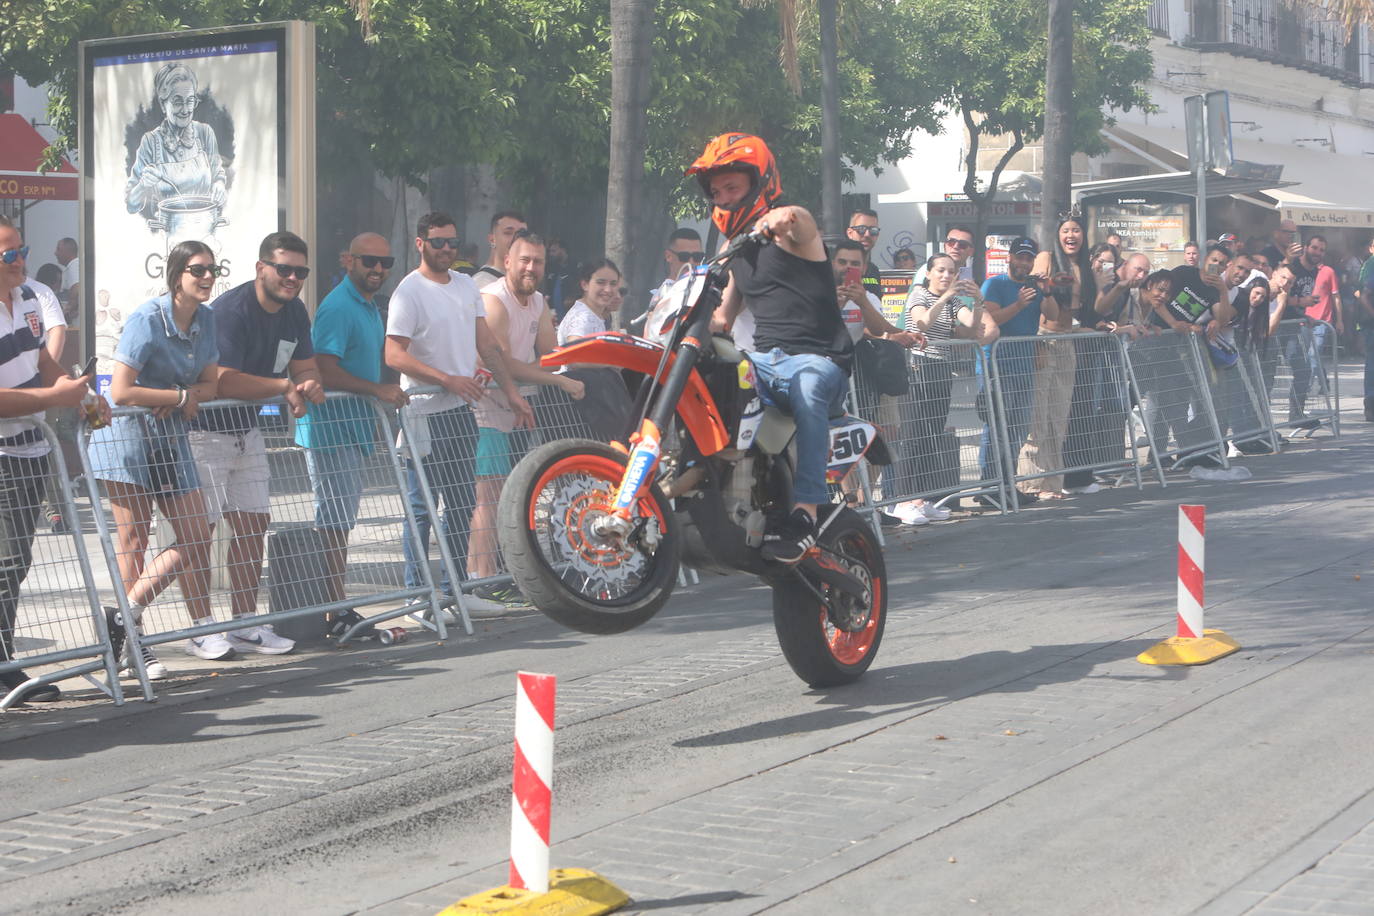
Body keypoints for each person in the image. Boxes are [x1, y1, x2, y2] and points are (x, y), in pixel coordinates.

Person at [693, 132, 851, 563]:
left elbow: (797, 219)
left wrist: (780, 219)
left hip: (818, 358)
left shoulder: (790, 230)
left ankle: (806, 513)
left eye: (733, 188)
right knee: (708, 383)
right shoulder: (734, 250)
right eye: (717, 191)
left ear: (759, 182)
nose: (724, 198)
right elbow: (723, 318)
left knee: (808, 387)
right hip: (763, 360)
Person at [384, 213, 535, 611]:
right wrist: (447, 379)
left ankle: (455, 591)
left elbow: (488, 346)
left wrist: (511, 392)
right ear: (420, 244)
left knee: (462, 502)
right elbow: (393, 353)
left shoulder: (467, 284)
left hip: (458, 412)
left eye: (452, 242)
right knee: (421, 508)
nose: (446, 249)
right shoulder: (409, 291)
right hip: (422, 412)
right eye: (438, 242)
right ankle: (420, 596)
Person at [89, 240, 223, 680]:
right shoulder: (148, 319)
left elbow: (210, 387)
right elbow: (122, 390)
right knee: (133, 541)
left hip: (169, 438)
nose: (207, 277)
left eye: (212, 269)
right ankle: (134, 647)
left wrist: (184, 396)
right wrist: (177, 396)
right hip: (126, 435)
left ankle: (123, 616)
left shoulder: (208, 321)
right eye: (197, 269)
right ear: (177, 275)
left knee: (196, 530)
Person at [190, 231, 326, 655]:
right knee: (198, 533)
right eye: (283, 268)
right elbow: (222, 378)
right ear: (260, 268)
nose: (292, 278)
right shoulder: (231, 311)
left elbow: (306, 366)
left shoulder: (295, 310)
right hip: (204, 433)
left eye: (299, 271)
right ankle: (199, 626)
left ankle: (245, 623)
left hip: (247, 433)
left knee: (253, 525)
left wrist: (310, 383)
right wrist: (283, 386)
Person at [0, 217, 107, 703]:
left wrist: (82, 400)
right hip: (3, 451)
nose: (19, 259)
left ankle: (5, 660)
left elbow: (46, 365)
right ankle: (5, 665)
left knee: (17, 563)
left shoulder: (26, 300)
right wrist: (55, 396)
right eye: (8, 255)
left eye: (19, 250)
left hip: (33, 449)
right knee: (4, 564)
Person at [297, 231, 410, 616]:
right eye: (369, 261)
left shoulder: (366, 305)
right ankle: (333, 607)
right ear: (348, 261)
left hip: (352, 429)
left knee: (340, 519)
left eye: (386, 262)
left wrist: (381, 388)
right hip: (330, 430)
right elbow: (324, 371)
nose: (378, 269)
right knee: (333, 520)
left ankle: (335, 606)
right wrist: (376, 389)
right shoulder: (339, 307)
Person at [470, 232, 581, 605]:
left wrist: (561, 368)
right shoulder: (494, 300)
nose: (532, 268)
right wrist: (556, 379)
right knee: (488, 496)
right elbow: (500, 362)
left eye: (538, 261)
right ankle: (480, 580)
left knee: (511, 499)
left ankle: (503, 575)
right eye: (525, 260)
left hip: (521, 409)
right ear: (507, 262)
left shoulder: (537, 302)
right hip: (487, 411)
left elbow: (550, 354)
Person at [889, 253, 996, 525]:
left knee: (932, 435)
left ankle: (921, 500)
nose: (946, 276)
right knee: (913, 435)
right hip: (917, 366)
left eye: (952, 271)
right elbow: (922, 322)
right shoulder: (919, 294)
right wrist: (945, 297)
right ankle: (902, 501)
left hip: (941, 368)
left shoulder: (954, 300)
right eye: (940, 270)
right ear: (928, 273)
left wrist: (979, 302)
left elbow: (972, 328)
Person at [976, 236, 1059, 505]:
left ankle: (1008, 483)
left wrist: (1046, 292)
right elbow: (991, 319)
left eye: (1028, 258)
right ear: (1009, 258)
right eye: (1020, 257)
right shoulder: (995, 284)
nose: (1024, 263)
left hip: (1025, 367)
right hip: (997, 365)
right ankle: (989, 487)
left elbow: (1053, 314)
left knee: (1017, 429)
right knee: (997, 427)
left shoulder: (1033, 287)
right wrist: (1019, 305)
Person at [1019, 214, 1096, 499]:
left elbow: (1087, 310)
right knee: (1037, 420)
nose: (1071, 235)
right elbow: (1030, 293)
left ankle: (1052, 483)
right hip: (1043, 340)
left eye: (1077, 230)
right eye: (1066, 230)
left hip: (1068, 343)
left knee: (1058, 418)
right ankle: (1032, 484)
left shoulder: (1084, 267)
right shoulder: (1046, 258)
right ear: (1058, 234)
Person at [123, 63, 227, 229]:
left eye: (190, 101)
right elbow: (131, 204)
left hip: (205, 231)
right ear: (164, 105)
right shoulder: (150, 142)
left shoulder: (205, 133)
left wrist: (220, 185)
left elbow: (218, 174)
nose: (185, 109)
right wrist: (143, 185)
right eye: (178, 102)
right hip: (169, 236)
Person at [559, 259, 637, 442]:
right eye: (601, 282)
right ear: (585, 284)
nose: (608, 290)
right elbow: (574, 358)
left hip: (586, 401)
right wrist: (617, 361)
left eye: (613, 284)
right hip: (577, 405)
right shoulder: (583, 316)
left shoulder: (594, 315)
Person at [473, 211, 528, 287]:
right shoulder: (481, 284)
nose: (516, 238)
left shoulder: (526, 283)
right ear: (492, 239)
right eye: (508, 233)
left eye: (522, 234)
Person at [846, 209, 885, 302]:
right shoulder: (837, 268)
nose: (867, 234)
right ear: (850, 233)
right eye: (861, 229)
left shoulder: (874, 270)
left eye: (873, 230)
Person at [54, 238, 79, 312]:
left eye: (58, 249)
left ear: (67, 251)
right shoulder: (72, 266)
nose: (55, 253)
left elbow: (77, 288)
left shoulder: (74, 265)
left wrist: (68, 310)